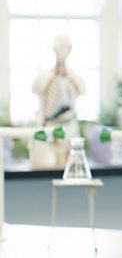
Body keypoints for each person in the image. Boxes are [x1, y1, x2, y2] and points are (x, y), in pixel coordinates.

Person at [31, 35, 85, 168]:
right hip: (50, 127)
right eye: (61, 47)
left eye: (67, 47)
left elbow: (82, 90)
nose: (63, 51)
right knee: (44, 166)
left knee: (72, 168)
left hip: (69, 127)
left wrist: (69, 78)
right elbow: (38, 90)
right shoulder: (44, 78)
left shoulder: (75, 78)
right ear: (54, 49)